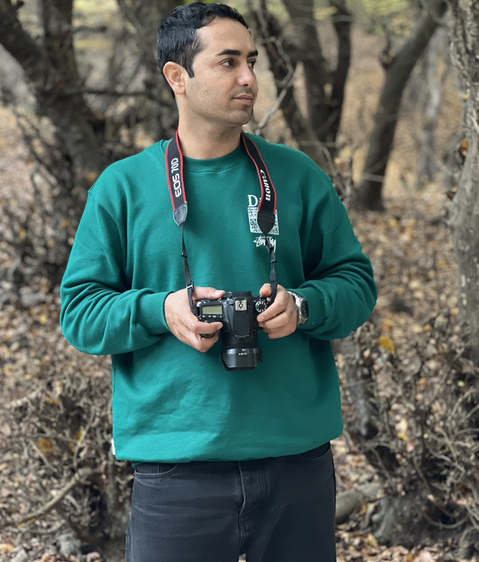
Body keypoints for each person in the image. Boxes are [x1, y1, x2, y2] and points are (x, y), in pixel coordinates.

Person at [60, 2, 377, 560]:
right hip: (176, 470)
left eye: (252, 61)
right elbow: (80, 313)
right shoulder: (123, 187)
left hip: (296, 459)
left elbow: (356, 283)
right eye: (228, 62)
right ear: (177, 77)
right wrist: (162, 311)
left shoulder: (297, 176)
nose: (249, 77)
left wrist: (304, 306)